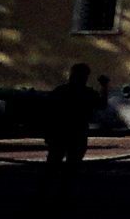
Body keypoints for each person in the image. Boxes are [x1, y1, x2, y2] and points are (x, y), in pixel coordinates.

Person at [41, 62, 98, 203]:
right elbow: (101, 104)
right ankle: (64, 194)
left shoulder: (60, 91)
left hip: (60, 132)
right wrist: (104, 86)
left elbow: (48, 113)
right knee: (71, 167)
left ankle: (47, 194)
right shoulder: (87, 93)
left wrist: (47, 133)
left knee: (53, 165)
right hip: (77, 132)